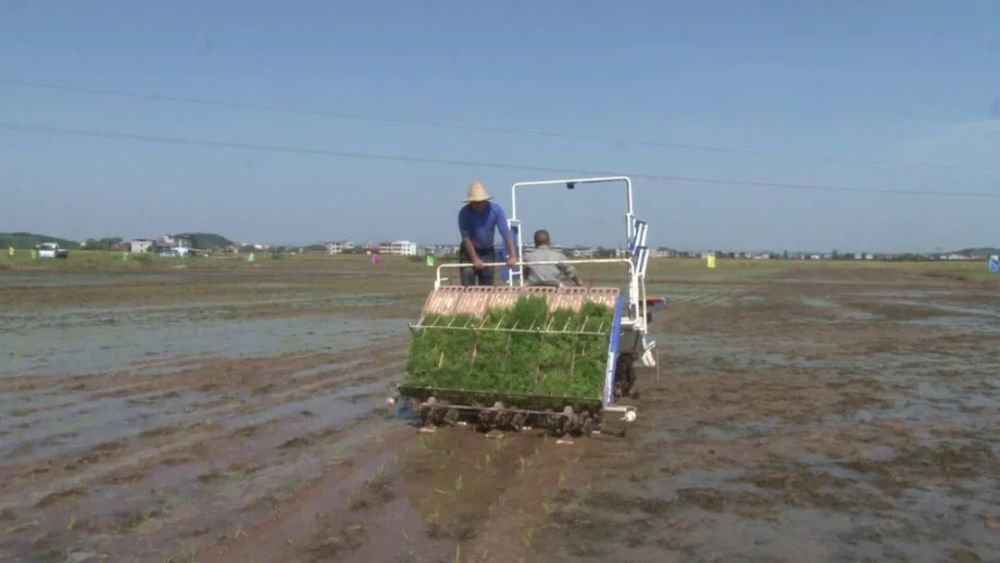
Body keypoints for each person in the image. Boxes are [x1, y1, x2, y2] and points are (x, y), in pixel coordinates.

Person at [458, 180, 517, 286]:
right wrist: (475, 259)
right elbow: (466, 238)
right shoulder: (464, 213)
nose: (478, 205)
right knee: (468, 274)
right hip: (469, 250)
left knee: (487, 281)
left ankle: (485, 302)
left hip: (487, 251)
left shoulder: (496, 210)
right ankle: (468, 300)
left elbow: (506, 234)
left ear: (486, 200)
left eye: (481, 202)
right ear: (470, 202)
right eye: (475, 202)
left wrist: (512, 255)